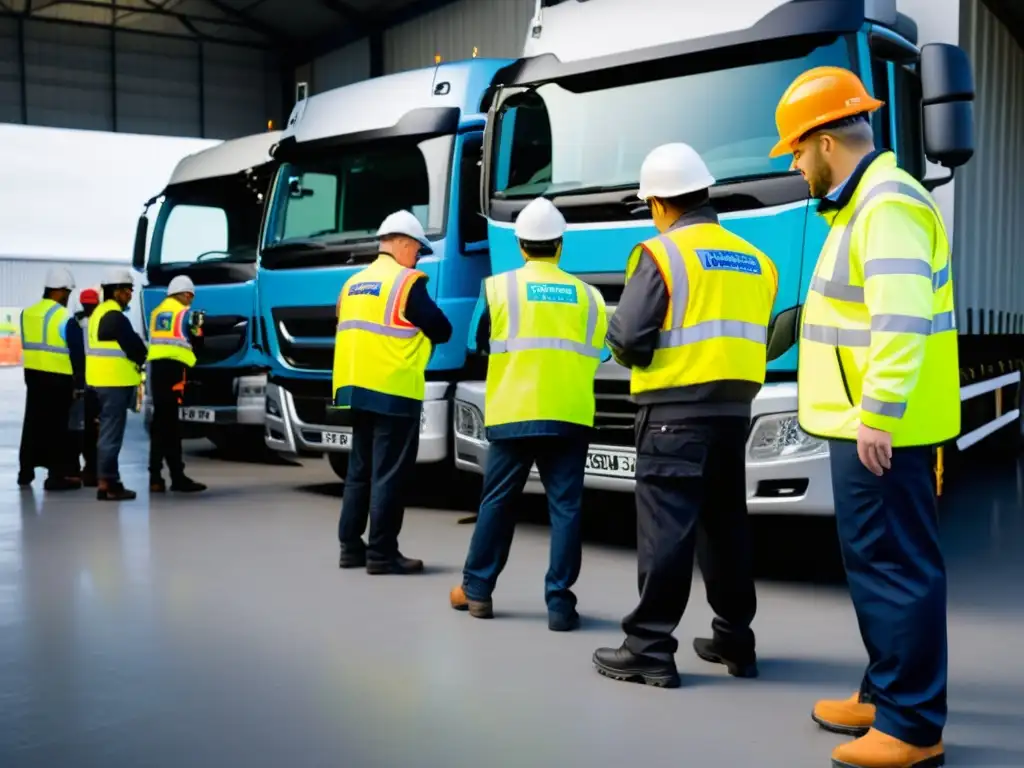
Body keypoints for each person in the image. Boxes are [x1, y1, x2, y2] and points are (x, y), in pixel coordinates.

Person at [769, 67, 957, 768]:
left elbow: (901, 319)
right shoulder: (866, 204)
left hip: (882, 430)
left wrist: (877, 411)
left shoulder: (885, 205)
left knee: (896, 568)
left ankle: (912, 728)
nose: (793, 163)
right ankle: (884, 695)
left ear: (824, 142)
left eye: (795, 148)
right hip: (863, 424)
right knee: (876, 564)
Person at [591, 143, 778, 688]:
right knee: (725, 527)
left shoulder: (661, 254)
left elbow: (627, 339)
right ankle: (734, 639)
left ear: (658, 204)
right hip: (733, 414)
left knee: (666, 531)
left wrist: (627, 349)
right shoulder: (756, 260)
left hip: (674, 413)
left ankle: (649, 646)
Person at [448, 198, 607, 631]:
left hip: (514, 412)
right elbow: (601, 351)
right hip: (570, 415)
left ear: (521, 245)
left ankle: (477, 591)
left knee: (497, 502)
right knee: (566, 510)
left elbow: (476, 342)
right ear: (559, 245)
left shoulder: (497, 289)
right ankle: (559, 604)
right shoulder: (589, 297)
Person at [333, 210, 452, 574]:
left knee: (359, 471)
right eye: (417, 250)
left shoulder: (352, 284)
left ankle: (351, 548)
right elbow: (440, 328)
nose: (417, 258)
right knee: (388, 474)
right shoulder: (406, 283)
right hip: (394, 389)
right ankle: (382, 554)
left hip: (354, 387)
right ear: (402, 243)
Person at [17, 267, 85, 491]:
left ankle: (25, 471)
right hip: (59, 378)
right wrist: (79, 384)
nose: (68, 298)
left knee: (33, 423)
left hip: (33, 376)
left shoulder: (27, 313)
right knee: (58, 428)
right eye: (67, 293)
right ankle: (56, 476)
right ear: (60, 291)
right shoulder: (65, 317)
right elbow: (77, 353)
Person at [87, 268, 147, 502]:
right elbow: (136, 349)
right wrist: (144, 354)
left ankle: (106, 480)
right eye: (128, 290)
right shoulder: (114, 316)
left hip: (98, 382)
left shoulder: (98, 313)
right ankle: (109, 483)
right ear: (118, 291)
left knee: (105, 433)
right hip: (113, 383)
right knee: (111, 435)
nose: (130, 295)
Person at [147, 275, 207, 494]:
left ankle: (156, 476)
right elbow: (198, 343)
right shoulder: (187, 314)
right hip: (175, 373)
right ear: (185, 294)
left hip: (157, 372)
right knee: (170, 427)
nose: (190, 301)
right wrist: (200, 330)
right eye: (190, 297)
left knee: (160, 424)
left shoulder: (156, 314)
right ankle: (177, 477)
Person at [69, 287, 100, 486]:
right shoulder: (100, 322)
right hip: (96, 381)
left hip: (77, 381)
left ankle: (74, 468)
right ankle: (91, 470)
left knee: (75, 427)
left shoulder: (74, 323)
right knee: (93, 428)